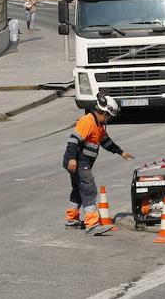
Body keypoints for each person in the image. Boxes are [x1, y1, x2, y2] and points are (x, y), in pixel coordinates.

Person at [64, 93, 134, 232]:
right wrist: (72, 159)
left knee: (79, 190)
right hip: (78, 160)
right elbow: (73, 141)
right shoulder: (87, 121)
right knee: (89, 189)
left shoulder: (99, 126)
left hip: (81, 162)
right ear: (104, 112)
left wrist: (120, 152)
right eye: (108, 116)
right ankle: (91, 224)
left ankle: (71, 220)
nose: (108, 119)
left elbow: (105, 142)